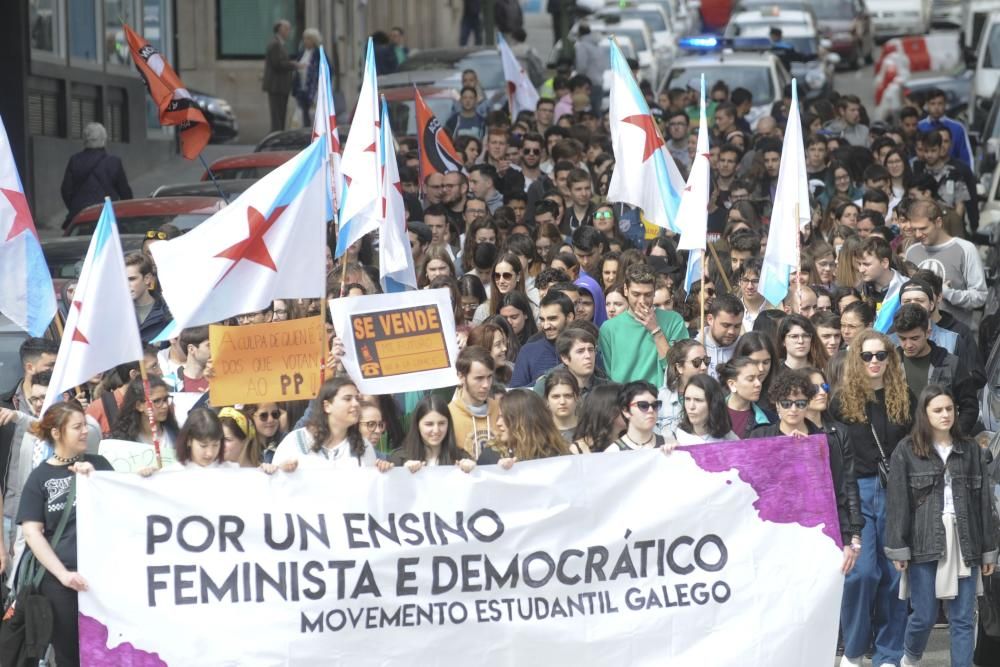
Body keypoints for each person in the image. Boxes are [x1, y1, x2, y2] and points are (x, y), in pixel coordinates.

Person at [885, 386, 997, 667]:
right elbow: (898, 501)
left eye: (950, 409)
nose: (946, 415)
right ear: (924, 414)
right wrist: (899, 548)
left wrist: (989, 551)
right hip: (924, 538)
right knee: (923, 614)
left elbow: (984, 502)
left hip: (966, 538)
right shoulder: (907, 450)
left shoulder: (971, 449)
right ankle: (910, 657)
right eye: (938, 410)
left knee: (961, 617)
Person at [831, 330, 915, 667]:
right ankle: (852, 652)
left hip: (896, 491)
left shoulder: (904, 396)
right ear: (856, 359)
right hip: (858, 492)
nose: (875, 361)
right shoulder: (840, 401)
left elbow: (915, 447)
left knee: (895, 576)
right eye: (867, 356)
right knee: (860, 573)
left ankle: (888, 655)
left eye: (881, 355)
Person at [17, 402, 113, 667]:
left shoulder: (99, 464)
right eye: (77, 427)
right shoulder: (40, 478)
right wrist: (63, 575)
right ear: (57, 433)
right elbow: (32, 533)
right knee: (70, 654)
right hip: (62, 584)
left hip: (103, 579)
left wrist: (96, 481)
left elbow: (121, 507)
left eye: (86, 425)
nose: (85, 431)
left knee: (108, 652)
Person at [752, 368, 862, 574]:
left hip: (816, 532)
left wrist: (848, 538)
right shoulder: (761, 438)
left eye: (800, 403)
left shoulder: (824, 441)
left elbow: (840, 492)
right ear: (777, 405)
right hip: (773, 533)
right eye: (786, 403)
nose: (793, 409)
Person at [893, 304, 979, 435]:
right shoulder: (889, 365)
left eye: (915, 338)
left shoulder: (951, 364)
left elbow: (970, 406)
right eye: (903, 338)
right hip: (901, 445)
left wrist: (953, 437)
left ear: (928, 333)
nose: (908, 344)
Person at [271, 377, 391, 471]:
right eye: (347, 399)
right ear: (327, 406)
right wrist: (281, 472)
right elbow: (275, 487)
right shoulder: (294, 442)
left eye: (357, 399)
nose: (355, 404)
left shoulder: (364, 446)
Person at [599, 263, 688, 385]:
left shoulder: (674, 320)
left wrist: (656, 331)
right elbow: (608, 375)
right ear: (625, 290)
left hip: (661, 399)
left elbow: (678, 369)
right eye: (636, 294)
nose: (642, 301)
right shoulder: (608, 329)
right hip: (623, 399)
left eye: (648, 294)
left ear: (654, 291)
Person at [904, 200, 986, 329]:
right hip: (918, 335)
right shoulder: (912, 251)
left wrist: (948, 293)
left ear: (938, 222)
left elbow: (980, 297)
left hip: (955, 334)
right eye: (914, 229)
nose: (918, 234)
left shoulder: (965, 249)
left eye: (923, 228)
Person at [60, 122, 132, 229]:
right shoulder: (113, 162)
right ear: (103, 140)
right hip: (107, 216)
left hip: (81, 217)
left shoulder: (75, 160)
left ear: (85, 140)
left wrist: (76, 207)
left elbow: (65, 189)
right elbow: (125, 192)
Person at [480, 390, 569, 465]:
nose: (498, 423)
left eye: (505, 418)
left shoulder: (558, 454)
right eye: (499, 417)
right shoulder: (491, 455)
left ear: (525, 422)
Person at [390, 395, 475, 471]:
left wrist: (473, 473)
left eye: (441, 423)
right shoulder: (398, 459)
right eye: (429, 424)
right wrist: (403, 473)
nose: (436, 430)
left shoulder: (461, 458)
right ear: (417, 425)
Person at [511, 291, 574, 387]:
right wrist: (540, 384)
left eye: (552, 319)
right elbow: (515, 395)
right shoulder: (528, 351)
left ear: (569, 317)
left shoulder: (584, 348)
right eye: (542, 320)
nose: (546, 326)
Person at [448, 346, 501, 459]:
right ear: (461, 377)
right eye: (479, 378)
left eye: (489, 377)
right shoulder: (448, 415)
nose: (486, 385)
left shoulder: (502, 410)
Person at [108, 377, 179, 457]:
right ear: (139, 406)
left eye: (166, 399)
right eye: (157, 401)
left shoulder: (176, 435)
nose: (165, 406)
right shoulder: (122, 442)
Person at [657, 339, 709, 437]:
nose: (704, 367)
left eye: (706, 361)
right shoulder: (659, 398)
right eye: (697, 362)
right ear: (679, 367)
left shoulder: (714, 395)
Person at [719, 356, 774, 438]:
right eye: (750, 379)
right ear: (732, 384)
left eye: (759, 378)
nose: (758, 384)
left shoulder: (768, 419)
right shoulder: (711, 414)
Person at [606, 381, 670, 451]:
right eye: (643, 405)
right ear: (626, 411)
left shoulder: (670, 444)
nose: (651, 410)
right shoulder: (613, 452)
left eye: (655, 405)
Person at [675, 374, 737, 444]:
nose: (691, 406)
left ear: (713, 404)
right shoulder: (680, 436)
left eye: (698, 400)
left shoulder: (730, 441)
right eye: (687, 399)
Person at [124, 252, 171, 346]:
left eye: (132, 279)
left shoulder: (170, 313)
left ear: (147, 279)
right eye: (122, 279)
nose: (126, 284)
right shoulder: (114, 315)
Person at [262, 20, 300, 133]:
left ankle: (279, 136)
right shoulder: (275, 44)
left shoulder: (280, 44)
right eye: (287, 29)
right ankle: (275, 139)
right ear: (280, 29)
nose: (289, 32)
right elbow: (278, 64)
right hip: (276, 86)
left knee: (281, 115)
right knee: (277, 117)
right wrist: (294, 64)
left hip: (282, 86)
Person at [699, 294, 744, 379]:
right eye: (726, 325)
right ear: (710, 319)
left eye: (737, 326)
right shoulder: (693, 348)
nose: (731, 332)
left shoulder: (744, 349)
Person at [571, 384, 624, 454]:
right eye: (623, 407)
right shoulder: (578, 449)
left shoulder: (634, 442)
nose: (629, 412)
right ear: (607, 411)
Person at [291, 28, 324, 127]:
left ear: (314, 40)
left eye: (308, 39)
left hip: (314, 89)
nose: (305, 41)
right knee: (303, 114)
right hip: (302, 88)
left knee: (313, 114)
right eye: (304, 39)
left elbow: (326, 69)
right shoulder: (302, 53)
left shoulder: (319, 53)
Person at [543, 369, 580, 445]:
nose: (562, 402)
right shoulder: (540, 433)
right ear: (547, 400)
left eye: (568, 396)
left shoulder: (589, 430)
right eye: (556, 397)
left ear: (577, 398)